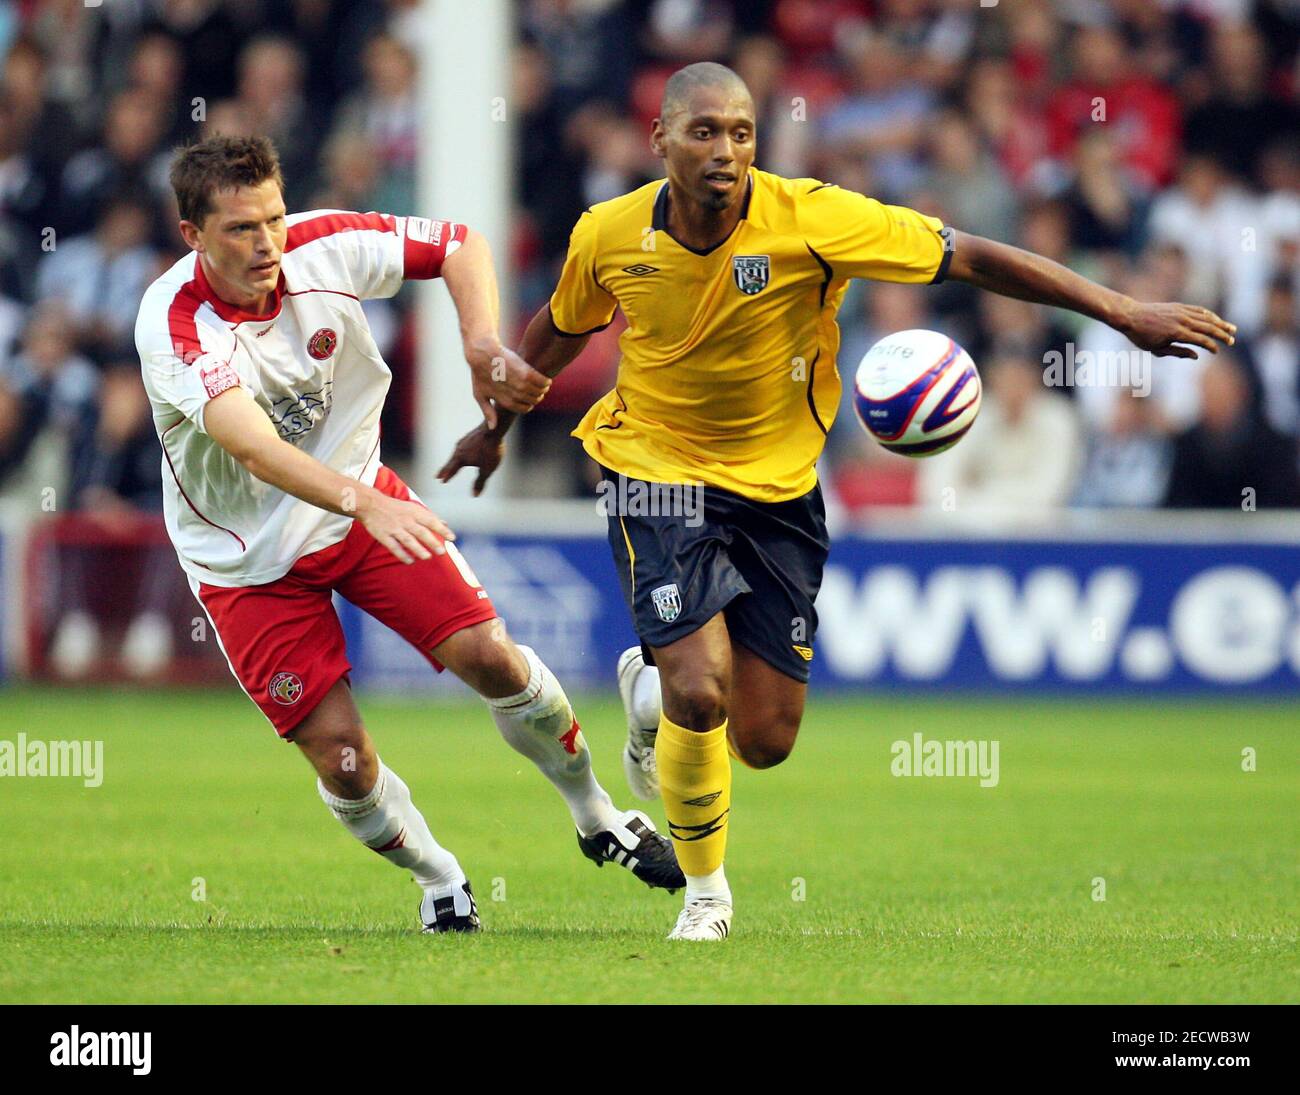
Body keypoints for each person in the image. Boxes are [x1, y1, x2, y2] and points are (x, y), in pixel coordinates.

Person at [438, 62, 1236, 941]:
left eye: (741, 133)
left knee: (765, 739)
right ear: (660, 138)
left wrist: (1120, 311)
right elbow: (558, 329)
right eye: (704, 131)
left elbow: (967, 255)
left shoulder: (813, 218)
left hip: (778, 488)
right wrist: (497, 426)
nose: (726, 151)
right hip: (651, 464)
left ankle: (650, 690)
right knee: (702, 693)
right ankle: (707, 893)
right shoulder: (610, 232)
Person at [135, 135, 683, 935]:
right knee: (344, 762)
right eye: (241, 229)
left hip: (358, 502)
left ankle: (598, 814)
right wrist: (365, 502)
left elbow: (461, 245)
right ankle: (441, 876)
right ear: (193, 236)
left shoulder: (324, 244)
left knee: (492, 657)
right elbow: (251, 443)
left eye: (275, 219)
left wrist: (477, 341)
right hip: (244, 559)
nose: (267, 243)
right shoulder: (175, 326)